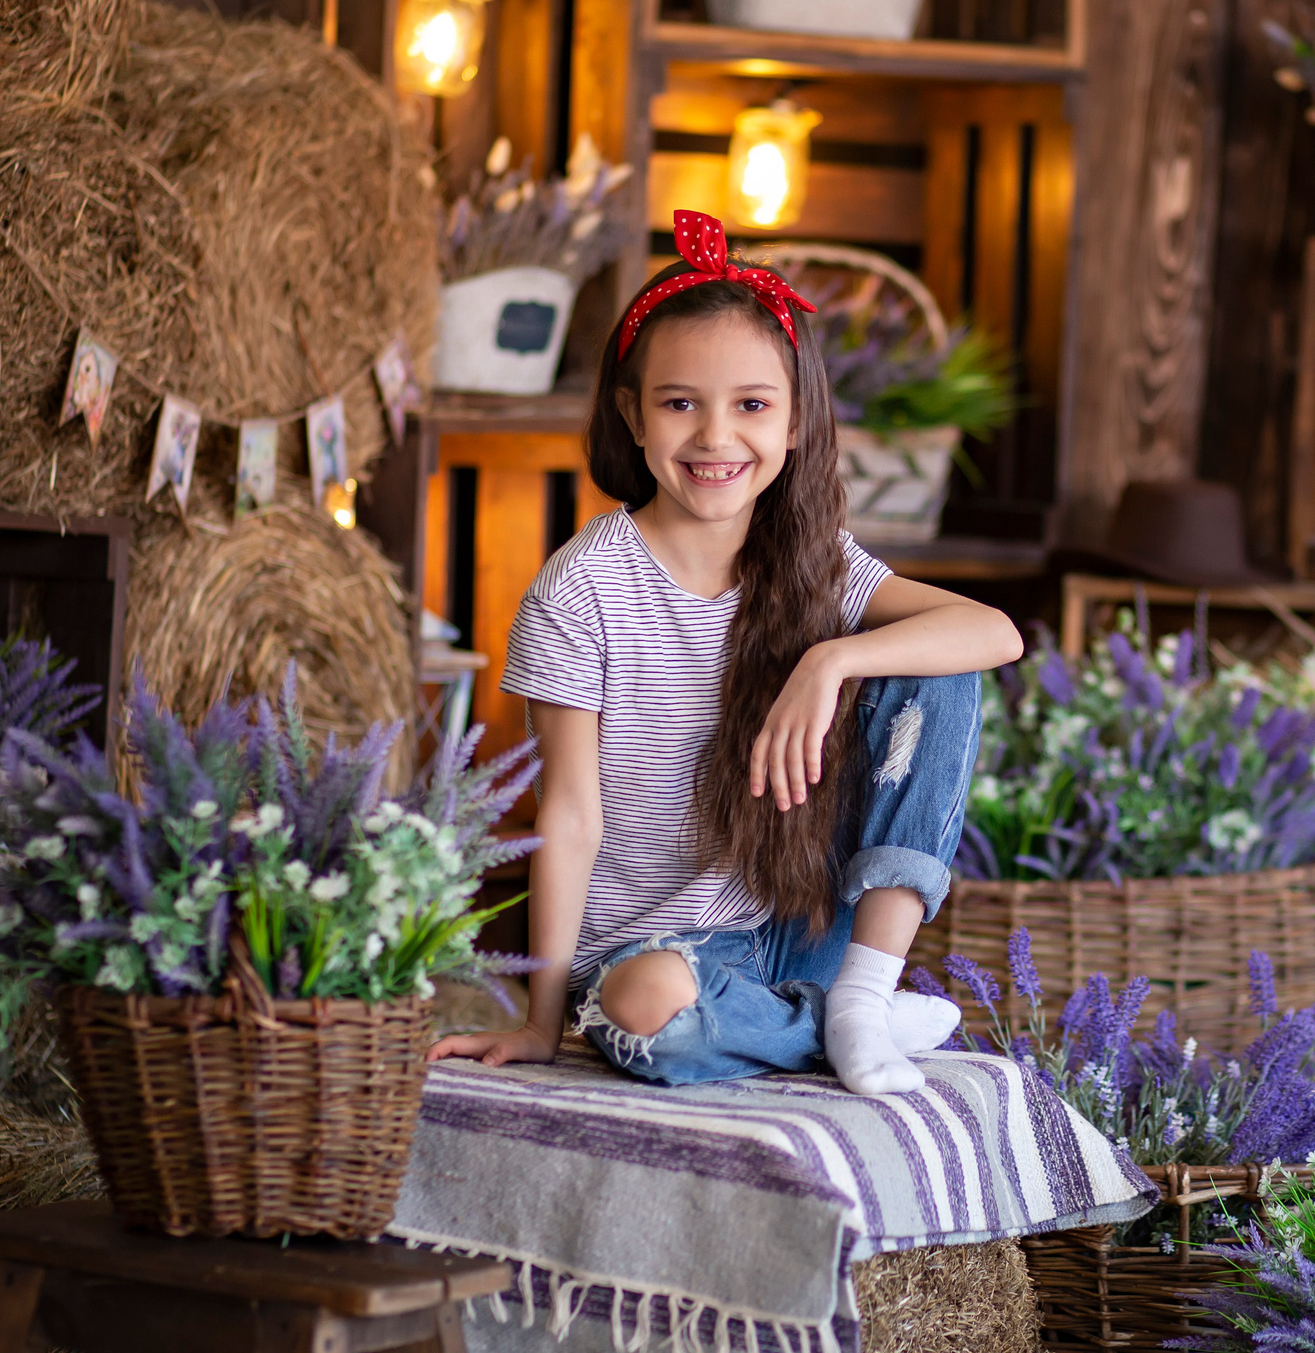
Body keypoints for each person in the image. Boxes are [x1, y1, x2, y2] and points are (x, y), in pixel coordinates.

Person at [431, 212, 1023, 1095]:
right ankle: (825, 1025)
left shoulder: (814, 564)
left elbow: (995, 631)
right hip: (647, 954)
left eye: (752, 405)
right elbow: (568, 814)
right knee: (642, 1010)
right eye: (680, 403)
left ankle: (862, 992)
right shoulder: (582, 589)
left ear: (794, 424)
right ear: (632, 414)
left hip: (800, 921)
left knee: (936, 668)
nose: (716, 437)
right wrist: (541, 1018)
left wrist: (830, 662)